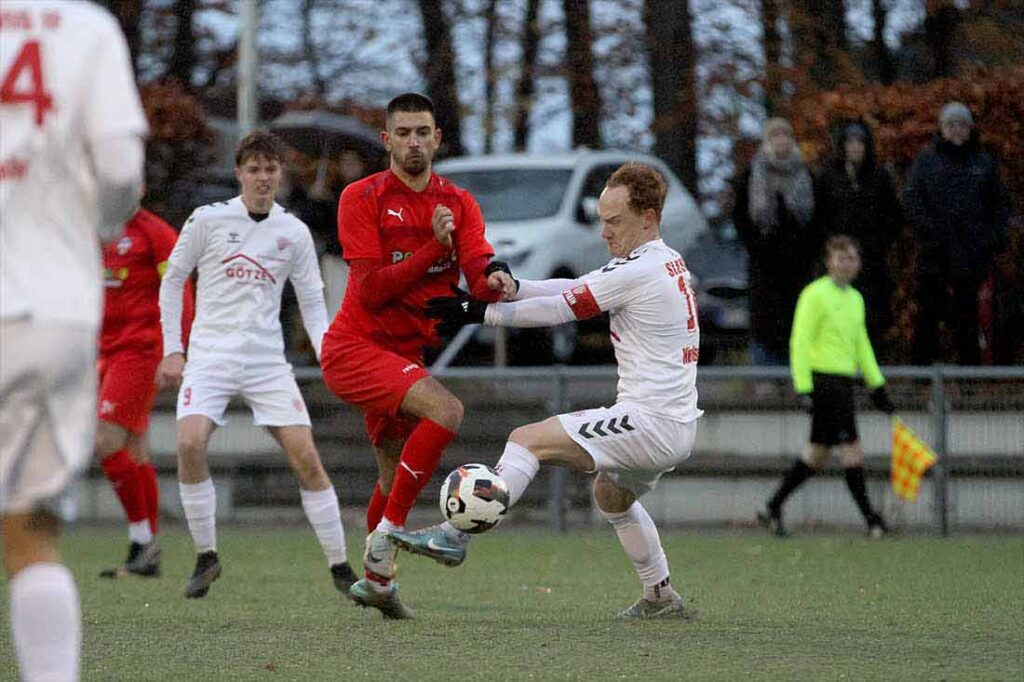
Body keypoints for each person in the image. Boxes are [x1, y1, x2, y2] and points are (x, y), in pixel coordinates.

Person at [391, 162, 702, 620]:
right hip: (674, 424)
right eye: (601, 221)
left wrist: (481, 314)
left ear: (648, 217)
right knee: (611, 496)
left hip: (650, 421)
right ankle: (660, 596)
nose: (604, 233)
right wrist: (515, 289)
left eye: (613, 222)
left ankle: (455, 537)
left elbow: (563, 309)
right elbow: (578, 287)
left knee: (526, 439)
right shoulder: (660, 260)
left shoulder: (640, 268)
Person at [319, 93, 508, 619]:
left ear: (437, 138)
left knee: (389, 479)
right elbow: (373, 290)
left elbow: (477, 271)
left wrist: (496, 277)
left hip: (403, 355)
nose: (414, 142)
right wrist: (430, 248)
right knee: (447, 411)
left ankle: (378, 583)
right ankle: (389, 536)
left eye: (422, 132)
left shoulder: (461, 202)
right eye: (403, 133)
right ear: (387, 140)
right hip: (355, 348)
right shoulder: (362, 197)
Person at [1, 2, 147, 679]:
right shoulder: (86, 28)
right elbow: (119, 171)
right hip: (47, 307)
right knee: (30, 540)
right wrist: (91, 225)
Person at [157, 131, 355, 600]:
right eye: (254, 169)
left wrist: (326, 350)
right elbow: (173, 281)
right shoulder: (207, 221)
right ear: (239, 173)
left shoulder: (294, 231)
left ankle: (342, 568)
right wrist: (172, 347)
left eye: (270, 169)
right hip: (209, 356)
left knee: (306, 457)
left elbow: (312, 298)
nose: (263, 178)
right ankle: (207, 557)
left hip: (267, 361)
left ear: (280, 175)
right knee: (189, 442)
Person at [757, 235, 894, 538]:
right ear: (829, 260)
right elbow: (800, 340)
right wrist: (803, 387)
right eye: (841, 257)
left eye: (852, 258)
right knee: (852, 450)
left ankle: (771, 507)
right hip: (823, 383)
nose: (847, 263)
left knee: (816, 454)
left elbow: (861, 344)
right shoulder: (814, 295)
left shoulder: (855, 299)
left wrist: (876, 385)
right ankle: (872, 521)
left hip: (842, 384)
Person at [97, 206, 195, 579]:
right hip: (104, 347)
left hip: (139, 349)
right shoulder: (96, 225)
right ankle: (145, 549)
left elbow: (179, 287)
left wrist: (176, 348)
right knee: (134, 446)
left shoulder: (155, 233)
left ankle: (143, 541)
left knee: (106, 440)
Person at [904, 101, 1011, 365]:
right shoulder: (926, 161)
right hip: (934, 254)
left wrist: (989, 240)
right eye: (950, 124)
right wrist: (930, 233)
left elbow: (1000, 207)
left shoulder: (983, 163)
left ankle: (969, 378)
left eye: (961, 124)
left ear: (969, 128)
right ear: (942, 129)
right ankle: (920, 377)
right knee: (927, 316)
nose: (956, 130)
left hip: (971, 256)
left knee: (968, 318)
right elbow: (912, 202)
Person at [734, 117, 818, 366]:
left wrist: (808, 247)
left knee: (798, 319)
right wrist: (756, 245)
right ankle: (765, 377)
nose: (781, 141)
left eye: (786, 136)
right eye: (775, 136)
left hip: (798, 264)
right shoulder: (751, 175)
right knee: (764, 321)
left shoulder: (807, 175)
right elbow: (740, 216)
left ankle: (797, 374)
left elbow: (819, 216)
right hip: (764, 262)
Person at [814, 121, 901, 352]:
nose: (855, 147)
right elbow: (818, 216)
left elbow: (892, 216)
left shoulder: (879, 176)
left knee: (870, 315)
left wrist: (878, 244)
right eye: (850, 142)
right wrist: (832, 246)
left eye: (860, 142)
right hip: (837, 259)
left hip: (871, 260)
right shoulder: (827, 176)